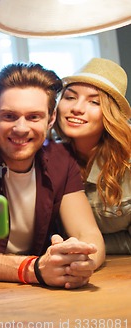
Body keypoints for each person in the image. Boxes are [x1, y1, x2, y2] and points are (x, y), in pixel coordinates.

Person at [0, 62, 105, 289]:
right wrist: (34, 269)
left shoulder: (61, 159)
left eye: (33, 117)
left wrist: (82, 263)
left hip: (43, 293)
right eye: (9, 116)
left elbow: (87, 233)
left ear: (50, 119)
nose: (21, 128)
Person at [54, 58, 131, 254]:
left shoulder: (127, 159)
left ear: (110, 113)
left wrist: (88, 246)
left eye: (94, 101)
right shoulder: (45, 153)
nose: (77, 108)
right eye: (70, 97)